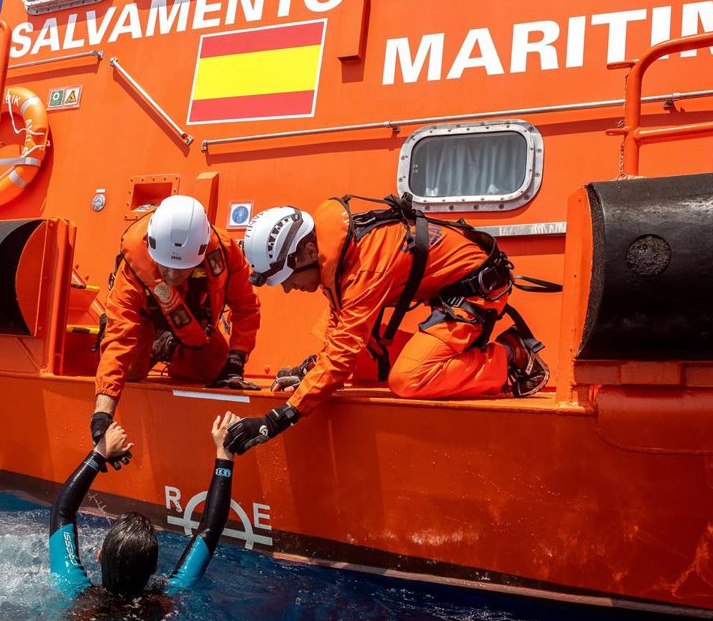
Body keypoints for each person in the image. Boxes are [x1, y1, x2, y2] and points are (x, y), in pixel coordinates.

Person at [224, 194, 555, 454]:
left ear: (308, 251)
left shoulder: (364, 266)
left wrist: (280, 417)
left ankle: (512, 358)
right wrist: (313, 371)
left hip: (477, 292)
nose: (287, 288)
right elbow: (340, 327)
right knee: (336, 339)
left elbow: (342, 355)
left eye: (287, 277)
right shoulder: (332, 252)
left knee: (408, 380)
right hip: (447, 291)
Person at [90, 195, 261, 462]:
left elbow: (246, 305)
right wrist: (102, 412)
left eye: (181, 269)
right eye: (166, 267)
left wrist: (236, 360)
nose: (171, 275)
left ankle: (167, 346)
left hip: (193, 323)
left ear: (201, 253)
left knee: (213, 367)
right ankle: (157, 342)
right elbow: (119, 338)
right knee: (130, 371)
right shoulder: (133, 268)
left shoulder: (225, 252)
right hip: (144, 319)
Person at [49, 412, 239, 596]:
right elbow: (210, 528)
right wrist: (224, 453)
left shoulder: (74, 589)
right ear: (155, 568)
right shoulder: (169, 595)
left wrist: (100, 453)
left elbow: (62, 510)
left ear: (99, 557)